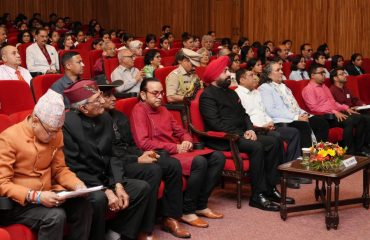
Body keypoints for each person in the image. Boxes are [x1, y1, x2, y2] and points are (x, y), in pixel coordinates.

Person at [199, 56, 295, 211]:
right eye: (224, 71)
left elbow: (244, 115)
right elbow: (215, 124)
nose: (229, 74)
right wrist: (242, 134)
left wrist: (249, 129)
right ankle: (257, 195)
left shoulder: (231, 93)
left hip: (241, 134)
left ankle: (270, 188)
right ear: (215, 75)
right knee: (256, 146)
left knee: (274, 140)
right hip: (223, 139)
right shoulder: (207, 95)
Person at [99, 81, 191, 239]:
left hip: (131, 155)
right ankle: (145, 229)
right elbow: (110, 154)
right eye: (108, 96)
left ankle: (170, 218)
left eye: (114, 94)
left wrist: (146, 154)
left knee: (172, 164)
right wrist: (137, 158)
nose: (114, 98)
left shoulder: (119, 116)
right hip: (119, 163)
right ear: (98, 98)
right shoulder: (98, 120)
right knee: (153, 170)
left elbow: (131, 144)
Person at [131, 78, 225, 229]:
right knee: (199, 162)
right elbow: (143, 143)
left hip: (178, 150)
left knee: (218, 158)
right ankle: (187, 211)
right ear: (143, 95)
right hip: (162, 153)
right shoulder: (139, 110)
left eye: (161, 93)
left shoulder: (163, 109)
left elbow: (181, 131)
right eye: (155, 93)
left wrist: (187, 140)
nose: (160, 96)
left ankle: (201, 205)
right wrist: (175, 147)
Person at [62, 80, 151, 240]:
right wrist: (103, 189)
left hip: (106, 178)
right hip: (84, 183)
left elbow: (112, 155)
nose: (103, 101)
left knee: (141, 188)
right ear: (83, 107)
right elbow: (73, 168)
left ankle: (117, 233)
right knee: (98, 199)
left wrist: (117, 184)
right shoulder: (68, 125)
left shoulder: (105, 118)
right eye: (97, 99)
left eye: (101, 96)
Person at [0, 89, 92, 240]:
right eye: (50, 132)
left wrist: (77, 185)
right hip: (18, 203)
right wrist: (36, 196)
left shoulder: (54, 133)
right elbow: (2, 183)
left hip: (48, 193)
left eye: (57, 131)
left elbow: (60, 169)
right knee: (55, 216)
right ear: (35, 121)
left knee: (83, 206)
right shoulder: (9, 138)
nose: (55, 136)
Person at [235, 68, 301, 189]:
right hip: (255, 128)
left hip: (268, 125)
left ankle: (292, 172)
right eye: (251, 75)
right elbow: (244, 117)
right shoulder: (237, 94)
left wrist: (269, 121)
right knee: (277, 137)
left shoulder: (256, 92)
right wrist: (261, 126)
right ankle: (280, 177)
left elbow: (263, 111)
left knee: (293, 132)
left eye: (255, 75)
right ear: (242, 80)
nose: (255, 77)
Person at [259, 61, 329, 149]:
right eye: (278, 70)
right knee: (303, 125)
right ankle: (306, 157)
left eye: (281, 69)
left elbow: (295, 106)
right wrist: (296, 117)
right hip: (283, 120)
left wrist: (304, 114)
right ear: (269, 74)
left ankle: (320, 152)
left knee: (322, 123)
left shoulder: (285, 86)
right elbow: (271, 111)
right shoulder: (265, 88)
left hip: (296, 116)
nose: (282, 72)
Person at [302, 65, 369, 156]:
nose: (324, 75)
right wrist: (334, 112)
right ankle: (349, 153)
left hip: (335, 113)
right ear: (312, 75)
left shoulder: (324, 87)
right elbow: (314, 108)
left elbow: (333, 102)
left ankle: (359, 149)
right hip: (325, 117)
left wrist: (345, 108)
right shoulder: (308, 89)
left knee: (360, 118)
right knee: (349, 121)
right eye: (321, 73)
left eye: (324, 73)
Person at [329, 67, 370, 148]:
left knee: (368, 115)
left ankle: (366, 144)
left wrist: (362, 104)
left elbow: (355, 99)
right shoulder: (332, 90)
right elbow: (333, 105)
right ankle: (360, 146)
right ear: (335, 78)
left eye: (344, 73)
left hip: (352, 110)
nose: (345, 75)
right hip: (343, 112)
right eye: (341, 74)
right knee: (363, 118)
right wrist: (348, 108)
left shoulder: (346, 88)